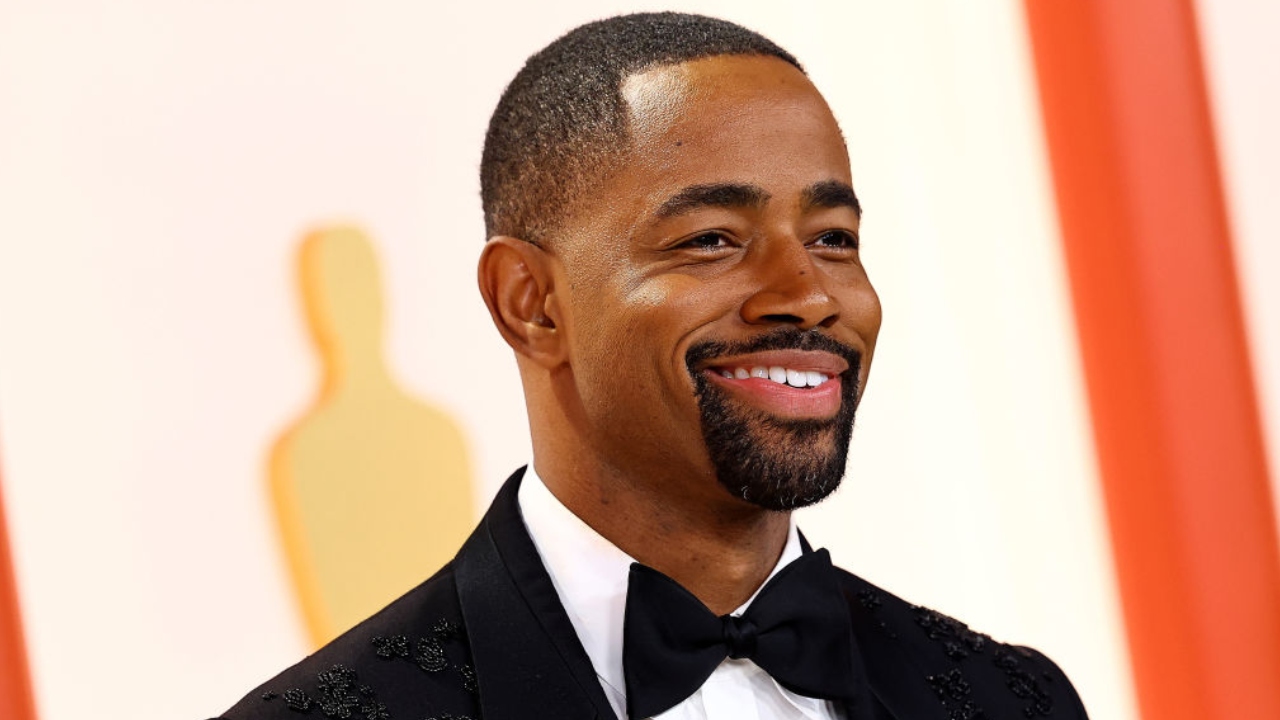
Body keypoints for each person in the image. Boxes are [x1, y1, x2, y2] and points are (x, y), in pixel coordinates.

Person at [216, 12, 1089, 720]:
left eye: (833, 240)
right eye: (712, 241)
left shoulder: (1010, 700)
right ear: (531, 301)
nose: (810, 295)